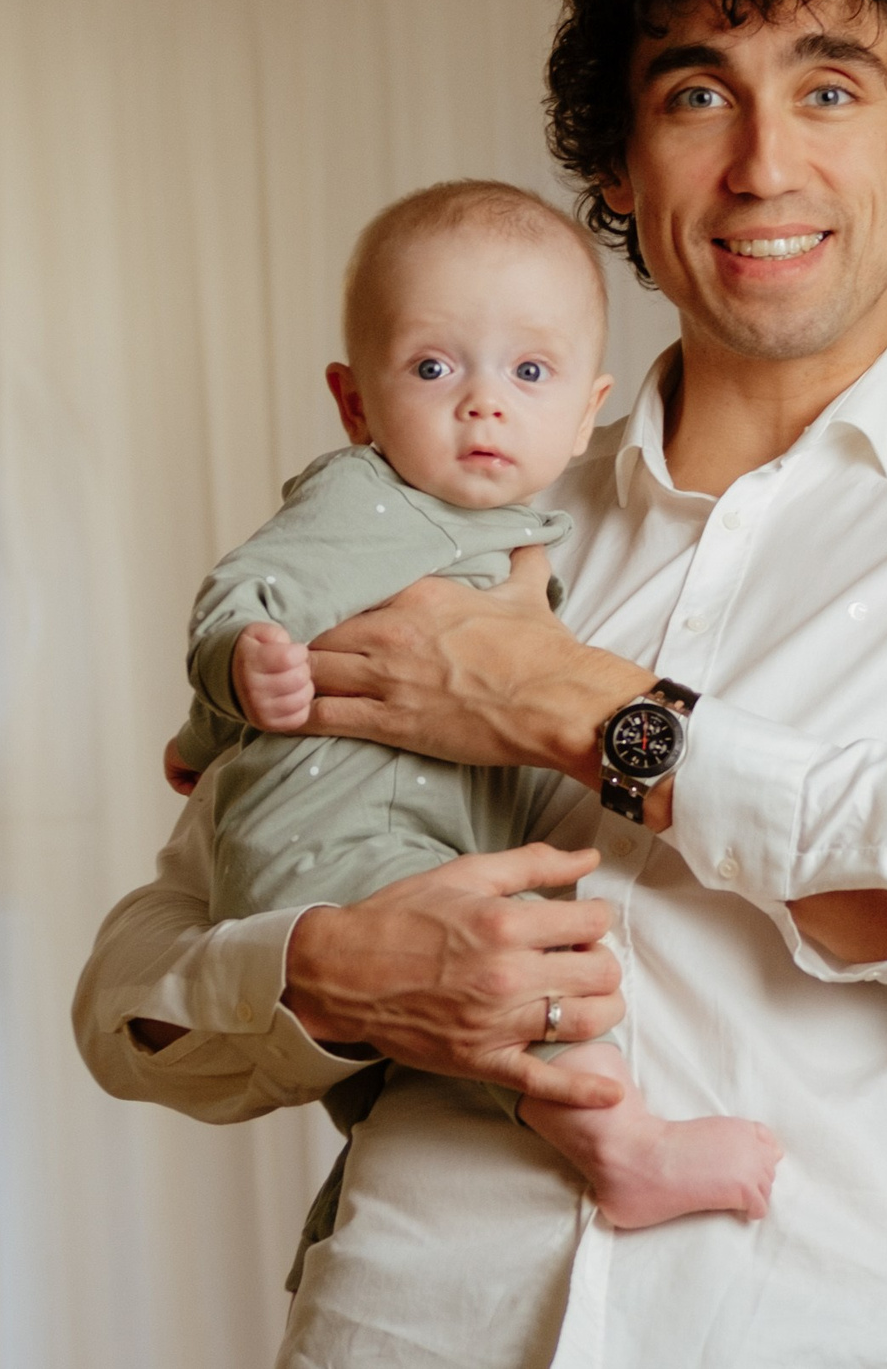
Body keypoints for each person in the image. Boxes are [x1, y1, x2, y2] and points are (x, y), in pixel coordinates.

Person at [72, 0, 887, 1368]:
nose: (761, 164)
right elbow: (132, 989)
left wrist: (570, 705)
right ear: (617, 167)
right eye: (695, 95)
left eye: (828, 87)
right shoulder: (430, 515)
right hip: (413, 1322)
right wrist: (326, 976)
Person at [169, 176, 781, 1229]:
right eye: (433, 366)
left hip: (397, 835)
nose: (482, 401)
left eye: (529, 371)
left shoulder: (549, 539)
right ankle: (624, 1147)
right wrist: (236, 675)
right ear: (356, 401)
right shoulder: (362, 497)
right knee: (514, 966)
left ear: (587, 409)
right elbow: (251, 596)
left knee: (474, 993)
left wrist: (200, 742)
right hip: (342, 834)